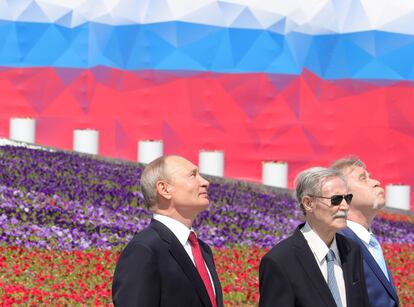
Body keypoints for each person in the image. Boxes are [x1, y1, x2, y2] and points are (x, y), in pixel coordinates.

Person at [112, 155, 223, 307]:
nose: (205, 182)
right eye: (192, 175)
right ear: (164, 189)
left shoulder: (202, 249)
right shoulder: (144, 250)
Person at [259, 167, 369, 307]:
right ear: (308, 203)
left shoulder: (352, 250)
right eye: (336, 200)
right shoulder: (280, 261)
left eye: (348, 198)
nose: (345, 206)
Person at [331, 157, 399, 307]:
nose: (376, 182)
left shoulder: (369, 242)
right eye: (363, 178)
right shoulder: (337, 243)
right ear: (343, 195)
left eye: (370, 176)